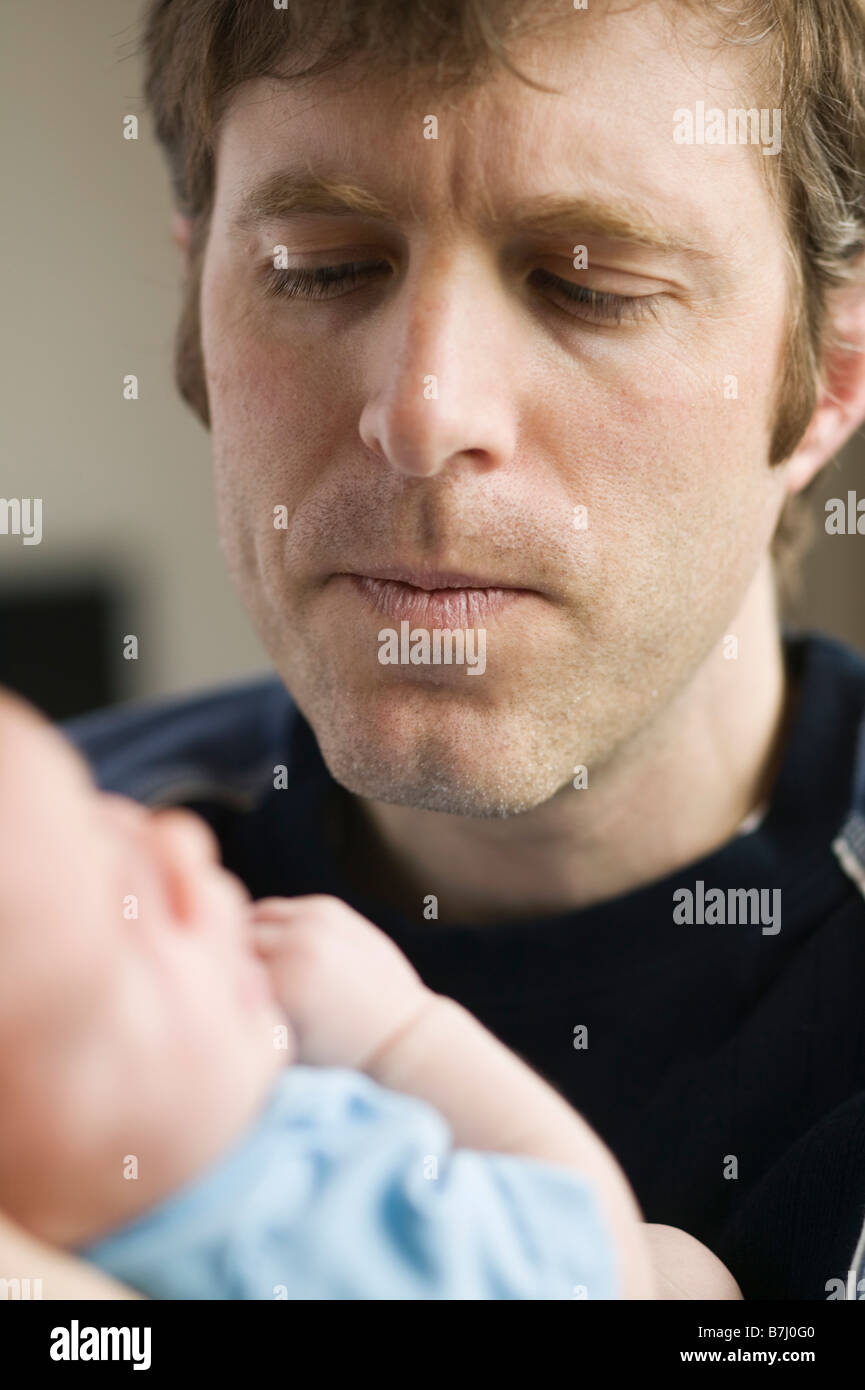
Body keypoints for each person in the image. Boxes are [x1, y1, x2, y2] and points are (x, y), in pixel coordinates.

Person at [65, 0, 865, 1297]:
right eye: (319, 265)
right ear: (194, 313)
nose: (423, 411)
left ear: (825, 375)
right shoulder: (37, 890)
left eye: (588, 287)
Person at [0, 688, 743, 1300]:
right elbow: (597, 1247)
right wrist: (405, 1035)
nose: (182, 839)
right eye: (137, 890)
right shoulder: (332, 1240)